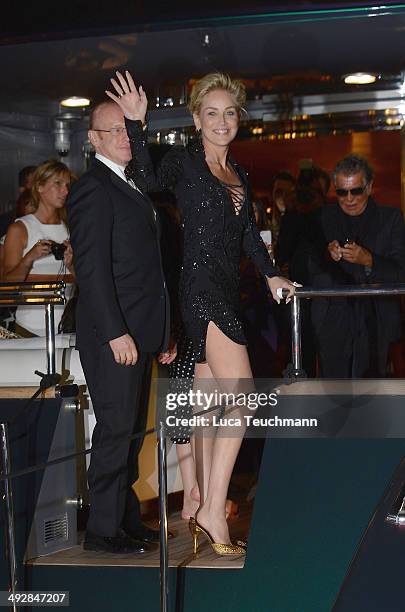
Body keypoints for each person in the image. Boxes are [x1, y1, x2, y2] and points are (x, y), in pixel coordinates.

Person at [106, 70, 296, 554]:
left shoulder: (239, 173)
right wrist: (135, 124)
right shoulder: (184, 163)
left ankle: (200, 505)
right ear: (196, 119)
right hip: (200, 293)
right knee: (245, 399)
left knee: (211, 408)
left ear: (239, 119)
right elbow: (145, 178)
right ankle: (214, 507)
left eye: (229, 113)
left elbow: (249, 235)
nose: (221, 121)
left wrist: (271, 273)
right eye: (211, 113)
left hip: (227, 292)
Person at [66, 100, 176, 554]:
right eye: (115, 131)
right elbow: (91, 271)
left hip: (139, 330)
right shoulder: (93, 188)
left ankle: (124, 518)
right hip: (111, 333)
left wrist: (164, 332)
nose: (126, 137)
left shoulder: (127, 183)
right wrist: (115, 332)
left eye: (129, 130)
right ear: (93, 140)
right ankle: (103, 530)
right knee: (115, 428)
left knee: (130, 430)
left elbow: (149, 268)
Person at [310, 154, 405, 377]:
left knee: (374, 394)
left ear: (369, 187)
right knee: (334, 393)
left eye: (356, 191)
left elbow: (401, 271)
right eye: (342, 192)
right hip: (334, 321)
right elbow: (309, 267)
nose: (349, 198)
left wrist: (369, 260)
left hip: (377, 323)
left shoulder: (390, 218)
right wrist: (327, 254)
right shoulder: (324, 217)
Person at [2, 160, 74, 336]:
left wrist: (72, 264)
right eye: (58, 184)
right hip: (29, 329)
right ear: (39, 187)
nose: (65, 191)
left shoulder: (71, 228)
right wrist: (29, 258)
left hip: (67, 328)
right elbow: (7, 284)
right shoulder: (20, 229)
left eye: (67, 185)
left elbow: (84, 282)